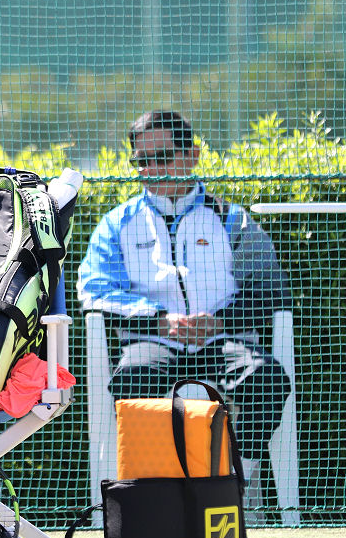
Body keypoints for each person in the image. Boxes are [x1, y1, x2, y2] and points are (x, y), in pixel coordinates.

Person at [77, 110, 292, 463]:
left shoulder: (232, 219)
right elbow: (94, 290)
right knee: (131, 379)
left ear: (192, 155)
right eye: (142, 161)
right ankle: (151, 484)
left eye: (162, 157)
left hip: (225, 342)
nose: (151, 169)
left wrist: (219, 322)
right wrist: (159, 321)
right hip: (153, 343)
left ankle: (237, 477)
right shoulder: (116, 224)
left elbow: (270, 289)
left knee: (267, 379)